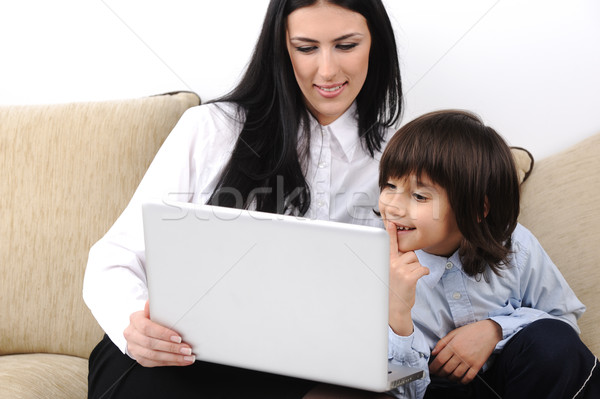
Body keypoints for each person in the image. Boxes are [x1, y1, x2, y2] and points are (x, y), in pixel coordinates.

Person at [83, 0, 402, 398]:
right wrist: (132, 324)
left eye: (346, 45)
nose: (327, 70)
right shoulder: (212, 129)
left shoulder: (400, 157)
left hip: (306, 368)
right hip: (183, 359)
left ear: (377, 44)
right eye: (305, 48)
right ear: (280, 49)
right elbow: (114, 257)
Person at [378, 110, 599, 399]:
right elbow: (400, 390)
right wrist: (398, 313)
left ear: (477, 209)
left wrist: (496, 330)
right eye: (390, 186)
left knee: (552, 343)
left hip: (520, 381)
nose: (393, 207)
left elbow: (563, 324)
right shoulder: (375, 264)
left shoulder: (514, 245)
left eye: (419, 196)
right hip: (434, 390)